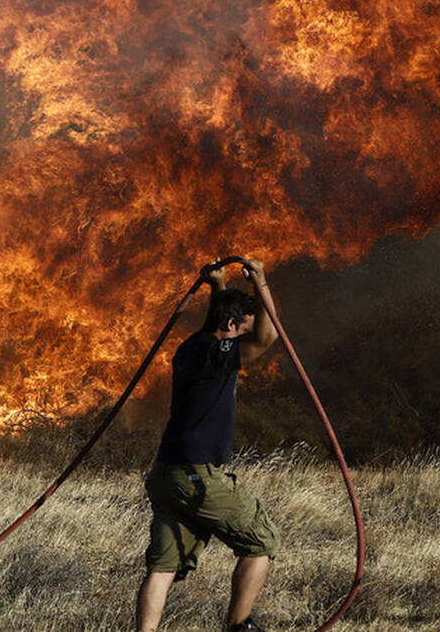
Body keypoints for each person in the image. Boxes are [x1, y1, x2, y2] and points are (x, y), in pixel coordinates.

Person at [135, 258, 281, 632]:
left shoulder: (189, 349)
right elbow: (268, 337)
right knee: (262, 540)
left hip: (166, 476)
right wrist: (260, 281)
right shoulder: (221, 355)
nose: (245, 339)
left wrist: (219, 285)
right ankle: (238, 626)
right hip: (198, 476)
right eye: (241, 330)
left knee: (162, 567)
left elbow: (216, 325)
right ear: (231, 326)